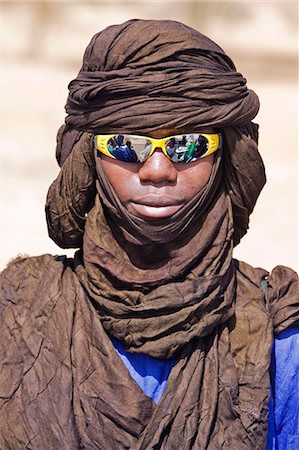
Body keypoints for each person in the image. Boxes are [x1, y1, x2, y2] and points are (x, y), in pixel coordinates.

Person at [0, 19, 298, 450]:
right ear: (89, 159)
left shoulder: (280, 333)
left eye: (189, 145)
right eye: (125, 144)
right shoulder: (18, 310)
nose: (157, 170)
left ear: (226, 160)